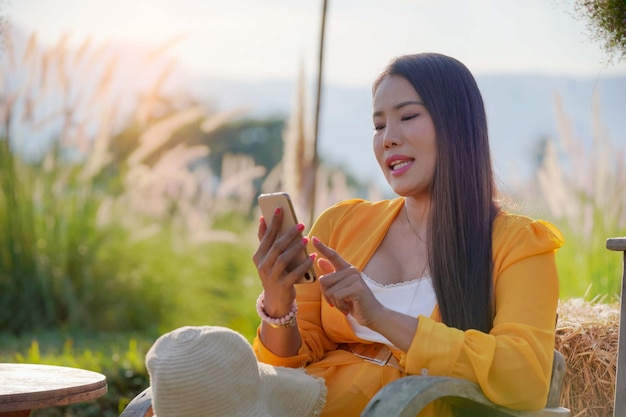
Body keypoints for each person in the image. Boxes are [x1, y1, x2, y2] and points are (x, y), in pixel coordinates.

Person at [251, 52, 563, 417]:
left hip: (409, 407)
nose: (388, 139)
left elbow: (524, 376)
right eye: (379, 125)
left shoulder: (520, 243)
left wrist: (381, 317)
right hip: (314, 403)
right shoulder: (340, 223)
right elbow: (285, 366)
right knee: (197, 359)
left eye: (408, 116)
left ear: (457, 125)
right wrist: (277, 303)